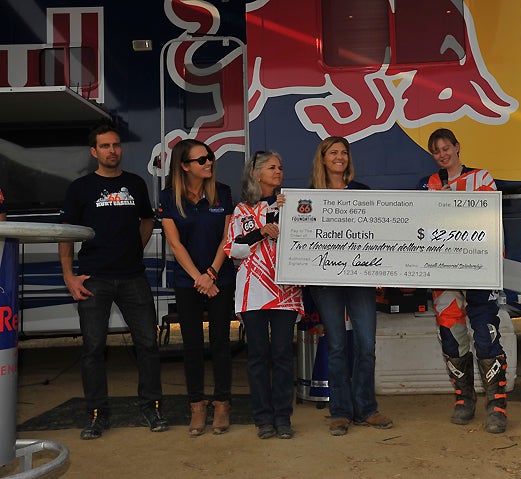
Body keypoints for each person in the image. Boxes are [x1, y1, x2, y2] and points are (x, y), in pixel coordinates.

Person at [58, 124, 168, 439]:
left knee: (147, 344)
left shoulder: (135, 183)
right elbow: (66, 234)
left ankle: (153, 407)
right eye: (105, 146)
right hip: (94, 278)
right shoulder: (79, 188)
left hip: (133, 276)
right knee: (93, 348)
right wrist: (69, 276)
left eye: (116, 145)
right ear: (94, 151)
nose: (112, 151)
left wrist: (135, 247)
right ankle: (97, 414)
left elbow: (147, 219)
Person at [417, 128, 508, 433]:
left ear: (458, 147)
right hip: (444, 275)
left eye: (446, 148)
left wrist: (449, 200)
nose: (443, 154)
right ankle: (464, 399)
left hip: (479, 270)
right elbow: (420, 224)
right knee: (452, 336)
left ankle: (497, 404)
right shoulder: (428, 184)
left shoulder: (482, 177)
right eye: (436, 151)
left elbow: (487, 213)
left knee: (485, 334)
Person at [307, 136, 393, 436]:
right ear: (323, 158)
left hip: (361, 278)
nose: (339, 157)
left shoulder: (362, 192)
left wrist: (382, 268)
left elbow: (376, 233)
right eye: (334, 152)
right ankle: (340, 411)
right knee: (338, 346)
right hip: (325, 281)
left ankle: (366, 407)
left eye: (344, 152)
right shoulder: (309, 195)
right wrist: (284, 207)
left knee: (366, 344)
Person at [159, 139, 235, 436]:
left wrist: (212, 274)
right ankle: (197, 405)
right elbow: (175, 244)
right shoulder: (168, 197)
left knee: (220, 344)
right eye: (201, 160)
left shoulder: (223, 193)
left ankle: (222, 403)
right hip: (188, 282)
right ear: (184, 166)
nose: (209, 163)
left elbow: (226, 239)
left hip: (220, 280)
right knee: (191, 346)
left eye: (210, 158)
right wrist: (199, 279)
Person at [225, 150, 303, 440]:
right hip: (253, 292)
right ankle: (263, 419)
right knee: (258, 356)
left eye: (281, 167)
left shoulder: (292, 203)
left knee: (283, 354)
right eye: (272, 167)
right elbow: (234, 251)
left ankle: (283, 417)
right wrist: (261, 231)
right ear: (256, 173)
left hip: (285, 291)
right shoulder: (243, 211)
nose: (278, 171)